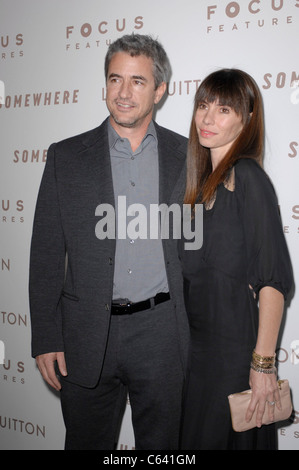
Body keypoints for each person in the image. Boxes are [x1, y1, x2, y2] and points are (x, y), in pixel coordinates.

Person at [29, 34, 190, 450]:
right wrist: (46, 336)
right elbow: (46, 253)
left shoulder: (188, 156)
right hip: (84, 333)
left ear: (159, 90)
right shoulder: (65, 156)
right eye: (115, 79)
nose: (123, 92)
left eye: (137, 81)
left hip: (162, 332)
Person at [179, 68, 293, 450]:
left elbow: (273, 282)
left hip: (235, 363)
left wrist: (262, 367)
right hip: (195, 363)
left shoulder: (249, 178)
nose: (208, 118)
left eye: (224, 109)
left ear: (247, 121)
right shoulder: (193, 192)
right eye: (203, 105)